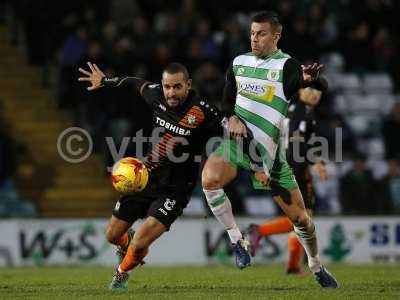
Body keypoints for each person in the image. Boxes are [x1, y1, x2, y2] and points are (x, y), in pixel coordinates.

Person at [201, 11, 338, 288]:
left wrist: (311, 79)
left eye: (261, 33)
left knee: (302, 220)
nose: (254, 38)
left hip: (271, 157)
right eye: (252, 33)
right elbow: (227, 103)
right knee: (209, 179)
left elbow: (317, 84)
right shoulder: (239, 62)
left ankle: (315, 265)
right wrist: (234, 117)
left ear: (276, 36)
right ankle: (237, 240)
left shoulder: (286, 66)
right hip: (237, 145)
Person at [78, 62, 223, 290]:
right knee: (112, 235)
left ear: (188, 85)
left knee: (140, 243)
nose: (171, 93)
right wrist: (105, 81)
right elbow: (134, 83)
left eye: (177, 87)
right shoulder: (155, 94)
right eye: (167, 87)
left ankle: (121, 274)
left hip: (176, 189)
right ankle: (126, 247)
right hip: (145, 177)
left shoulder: (203, 111)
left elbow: (231, 131)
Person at [246, 80, 329, 274]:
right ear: (300, 89)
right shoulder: (301, 112)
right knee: (303, 218)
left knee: (299, 219)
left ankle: (293, 266)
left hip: (284, 166)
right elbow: (297, 140)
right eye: (310, 89)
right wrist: (314, 160)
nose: (315, 94)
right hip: (295, 168)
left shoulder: (291, 108)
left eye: (318, 91)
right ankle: (259, 231)